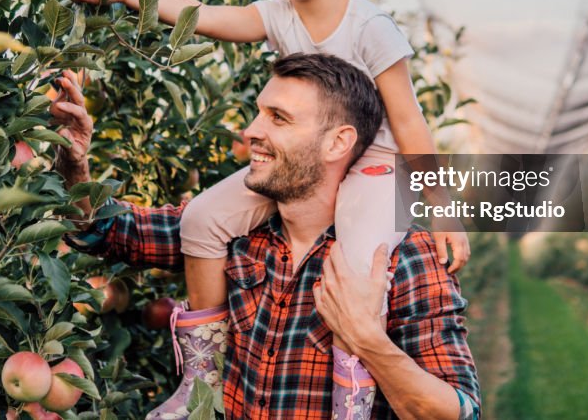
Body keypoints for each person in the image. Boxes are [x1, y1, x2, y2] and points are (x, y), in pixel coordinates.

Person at [63, 0, 470, 418]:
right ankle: (200, 385)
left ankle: (352, 400)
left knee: (358, 269)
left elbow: (409, 122)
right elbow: (201, 15)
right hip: (313, 169)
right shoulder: (278, 15)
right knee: (203, 220)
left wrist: (441, 209)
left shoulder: (371, 28)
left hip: (375, 168)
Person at [50, 55, 481, 420]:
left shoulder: (403, 257)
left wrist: (367, 339)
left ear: (338, 143)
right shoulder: (234, 231)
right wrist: (75, 165)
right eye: (260, 112)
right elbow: (106, 232)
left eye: (278, 118)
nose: (252, 130)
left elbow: (459, 409)